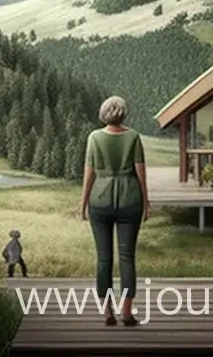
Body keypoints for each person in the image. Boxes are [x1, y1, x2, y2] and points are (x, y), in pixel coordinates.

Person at [80, 96, 149, 327]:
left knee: (103, 258)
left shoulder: (94, 137)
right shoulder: (133, 137)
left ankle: (107, 312)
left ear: (103, 114)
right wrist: (146, 202)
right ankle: (127, 312)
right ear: (124, 114)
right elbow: (141, 173)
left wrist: (82, 204)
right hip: (130, 201)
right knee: (127, 258)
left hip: (100, 201)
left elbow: (89, 173)